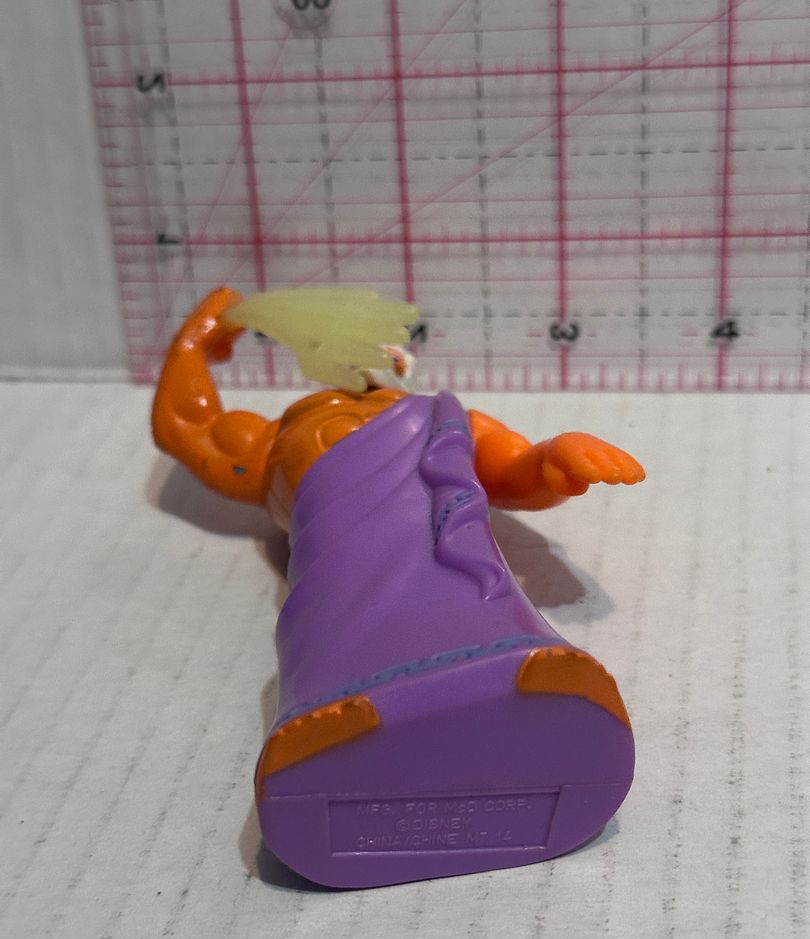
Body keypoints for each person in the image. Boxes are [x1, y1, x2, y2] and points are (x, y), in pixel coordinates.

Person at [152, 288, 645, 888]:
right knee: (343, 633)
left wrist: (556, 460)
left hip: (450, 553)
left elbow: (511, 467)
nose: (387, 357)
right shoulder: (279, 436)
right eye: (369, 344)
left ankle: (532, 684)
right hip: (344, 569)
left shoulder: (441, 416)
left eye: (392, 347)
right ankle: (334, 722)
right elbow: (188, 428)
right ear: (317, 355)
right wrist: (200, 338)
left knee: (478, 608)